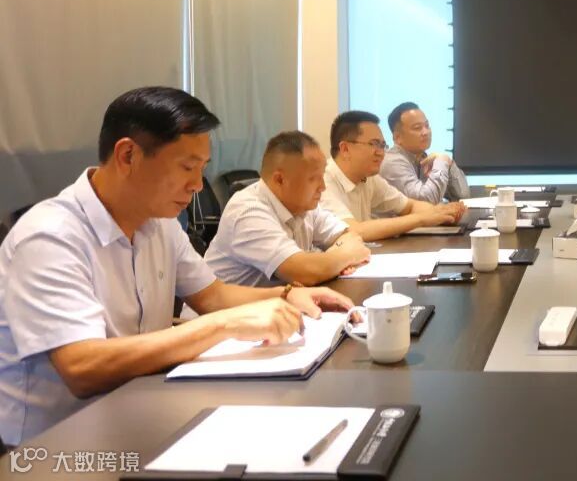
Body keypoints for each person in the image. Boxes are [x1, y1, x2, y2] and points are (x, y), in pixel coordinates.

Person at [0, 88, 353, 445]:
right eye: (187, 167)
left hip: (141, 410)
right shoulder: (50, 236)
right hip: (56, 445)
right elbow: (82, 367)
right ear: (128, 155)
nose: (198, 185)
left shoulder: (159, 223)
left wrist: (287, 295)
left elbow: (212, 296)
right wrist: (224, 325)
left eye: (202, 169)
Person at [205, 131, 371, 287]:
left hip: (278, 303)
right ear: (280, 180)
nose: (323, 187)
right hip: (231, 308)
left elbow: (351, 236)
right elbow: (305, 273)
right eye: (313, 178)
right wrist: (342, 257)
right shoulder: (248, 211)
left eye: (322, 176)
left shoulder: (304, 206)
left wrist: (333, 261)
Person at [321, 111, 465, 241]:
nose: (381, 153)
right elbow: (353, 231)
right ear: (345, 149)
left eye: (382, 145)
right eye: (373, 144)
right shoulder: (323, 181)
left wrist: (441, 214)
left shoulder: (368, 178)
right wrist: (422, 219)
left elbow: (410, 205)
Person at [380, 102, 470, 203]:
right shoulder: (392, 162)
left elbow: (463, 195)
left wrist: (449, 163)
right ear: (397, 137)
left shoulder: (423, 158)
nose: (425, 132)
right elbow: (426, 200)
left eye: (427, 126)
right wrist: (442, 162)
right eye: (417, 128)